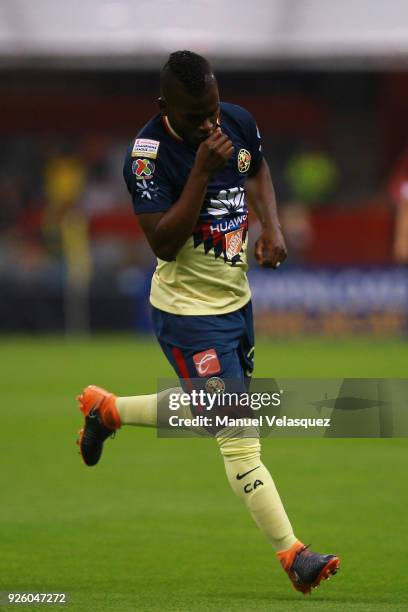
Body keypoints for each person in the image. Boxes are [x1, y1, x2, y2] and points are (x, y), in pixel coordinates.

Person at [75, 50, 339, 595]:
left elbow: (259, 168)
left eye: (213, 110)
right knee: (238, 434)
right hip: (188, 315)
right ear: (165, 106)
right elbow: (164, 243)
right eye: (196, 115)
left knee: (209, 409)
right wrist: (200, 171)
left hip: (235, 305)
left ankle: (109, 411)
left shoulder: (236, 122)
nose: (210, 124)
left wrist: (273, 227)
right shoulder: (148, 157)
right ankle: (294, 555)